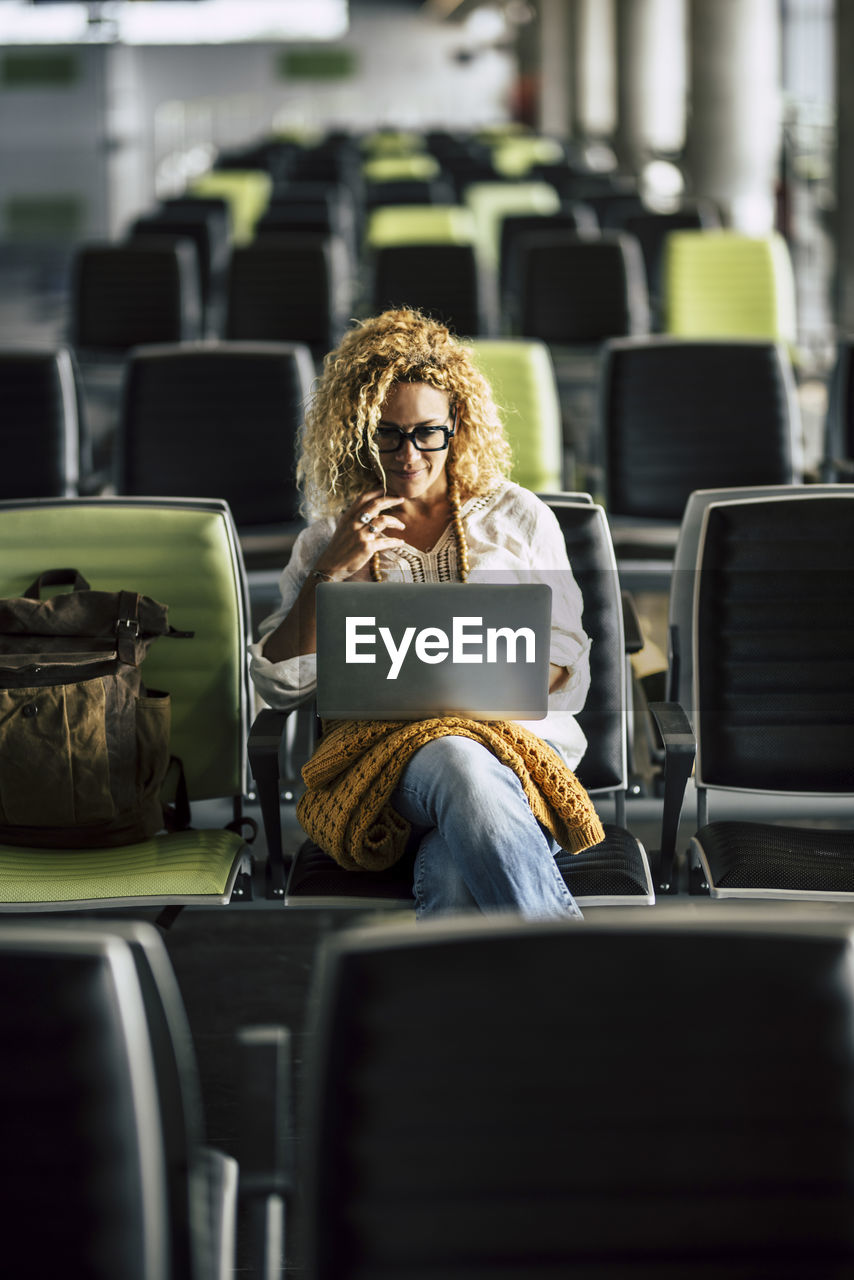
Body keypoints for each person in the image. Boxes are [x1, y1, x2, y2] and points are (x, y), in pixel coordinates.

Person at [249, 307, 604, 919]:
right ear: (360, 432)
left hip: (515, 762)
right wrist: (331, 573)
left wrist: (468, 694)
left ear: (456, 426)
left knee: (453, 879)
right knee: (451, 756)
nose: (408, 454)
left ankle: (464, 1013)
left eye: (426, 432)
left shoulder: (517, 518)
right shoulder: (328, 540)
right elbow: (278, 684)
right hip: (385, 778)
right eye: (387, 432)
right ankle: (578, 980)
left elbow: (566, 666)